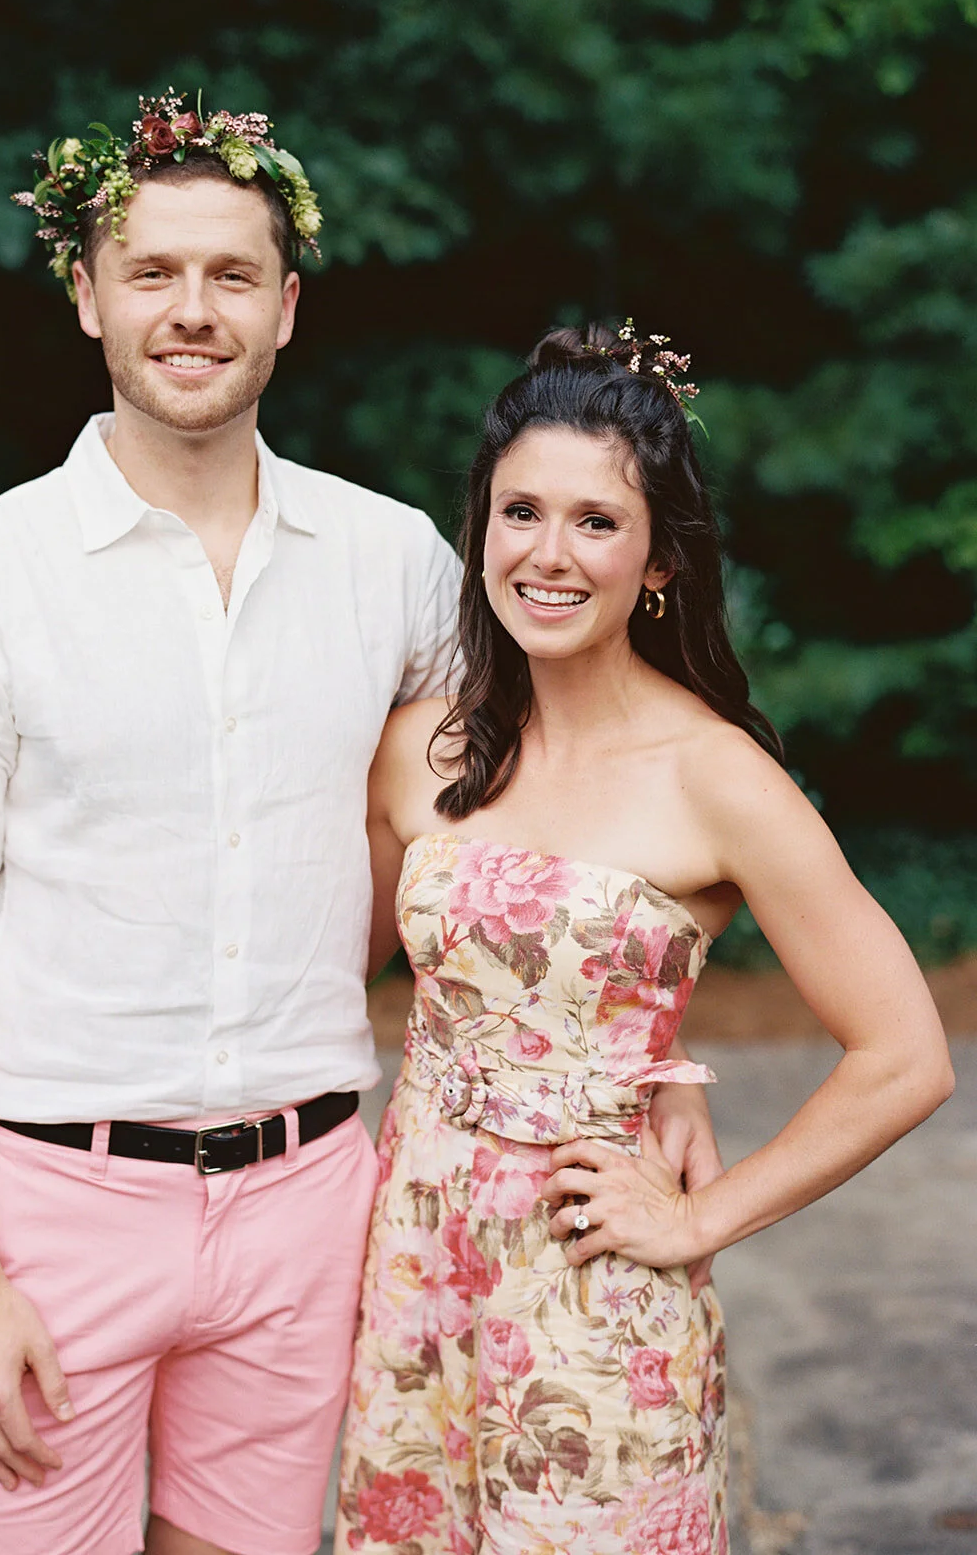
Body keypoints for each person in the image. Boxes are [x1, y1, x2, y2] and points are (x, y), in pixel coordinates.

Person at [0, 91, 467, 1555]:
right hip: (57, 1206)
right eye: (153, 273)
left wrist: (656, 1066)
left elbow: (516, 827)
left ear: (288, 307)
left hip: (313, 1194)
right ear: (87, 295)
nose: (193, 311)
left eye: (233, 276)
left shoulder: (397, 565)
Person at [334, 322, 954, 1555]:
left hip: (593, 1300)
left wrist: (695, 1219)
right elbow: (329, 966)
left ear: (658, 559)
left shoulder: (717, 778)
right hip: (414, 1276)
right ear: (482, 528)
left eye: (596, 522)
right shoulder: (419, 747)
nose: (548, 555)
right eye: (520, 513)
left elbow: (905, 1053)